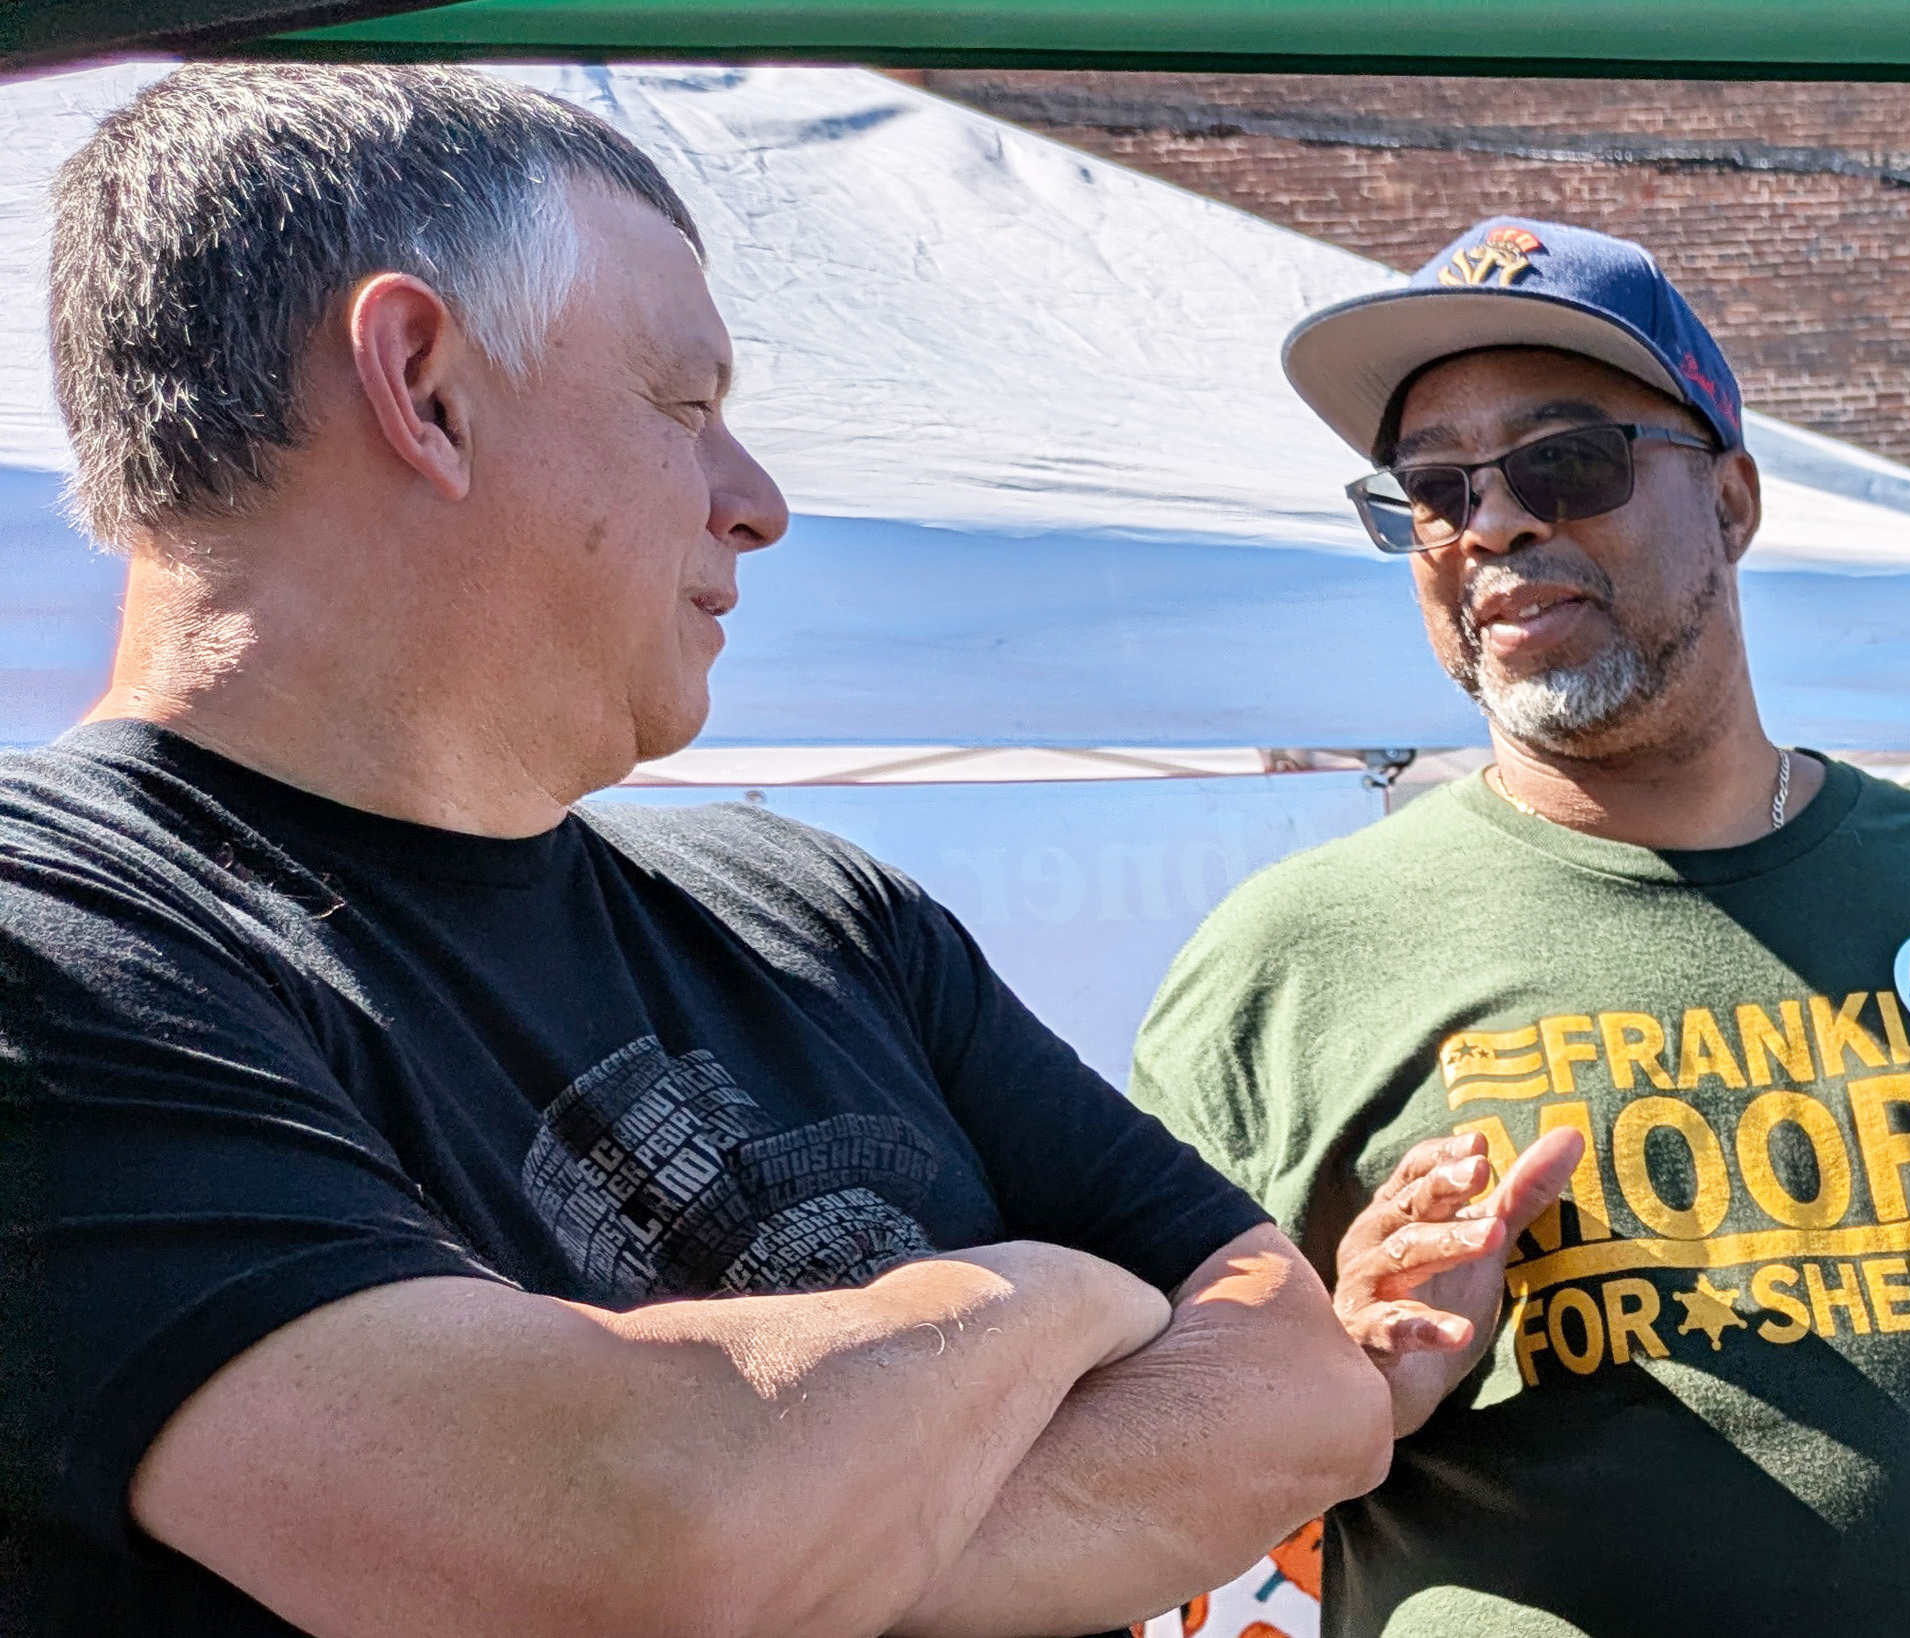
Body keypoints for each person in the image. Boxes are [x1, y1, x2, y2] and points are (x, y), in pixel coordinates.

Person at [0, 67, 1564, 1638]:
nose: (756, 503)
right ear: (425, 385)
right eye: (688, 406)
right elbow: (633, 1546)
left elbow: (1301, 1386)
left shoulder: (814, 908)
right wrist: (1041, 1293)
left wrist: (816, 1521)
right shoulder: (51, 939)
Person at [1131, 216, 1910, 1637]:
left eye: (1569, 461)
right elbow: (1111, 1473)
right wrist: (1331, 1371)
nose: (1493, 523)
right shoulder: (1287, 964)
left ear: (1733, 502)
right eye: (1433, 490)